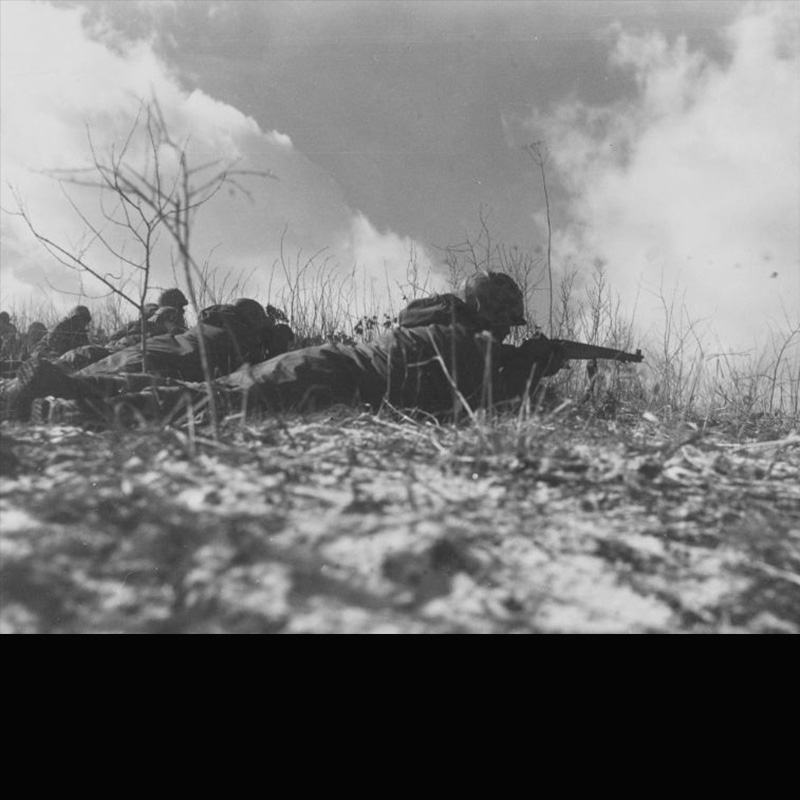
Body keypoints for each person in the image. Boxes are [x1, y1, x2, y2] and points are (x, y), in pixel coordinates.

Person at [0, 278, 566, 423]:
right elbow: (486, 395)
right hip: (322, 378)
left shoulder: (433, 326)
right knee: (202, 406)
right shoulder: (464, 346)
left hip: (317, 367)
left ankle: (65, 388)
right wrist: (538, 367)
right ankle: (64, 388)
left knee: (205, 397)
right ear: (491, 316)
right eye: (504, 324)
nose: (509, 335)